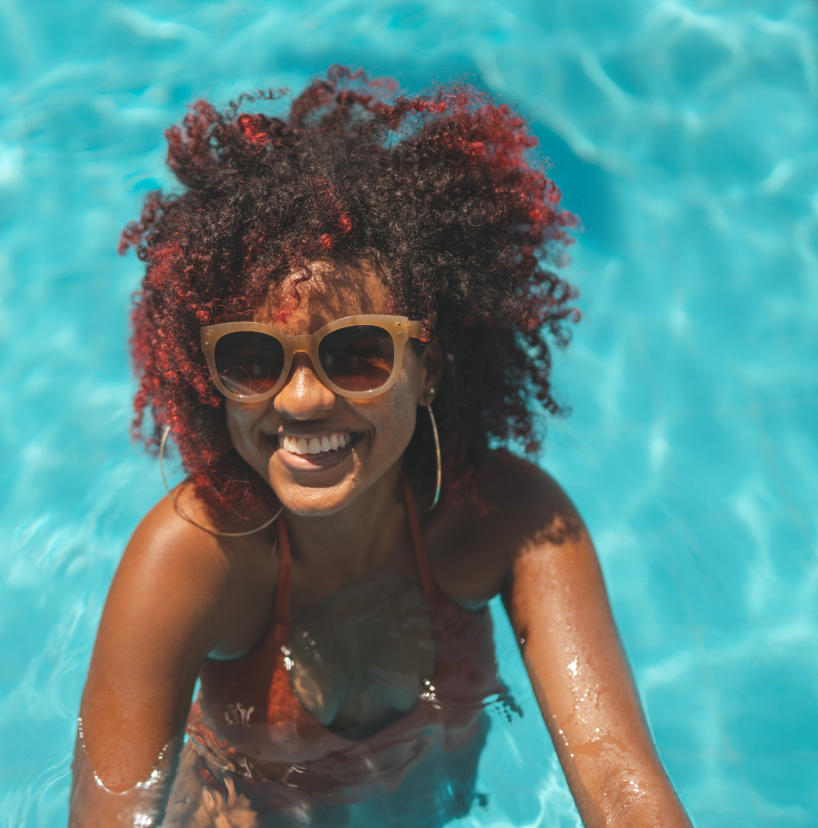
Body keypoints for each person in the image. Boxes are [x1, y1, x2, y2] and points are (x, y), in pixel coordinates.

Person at [70, 66, 691, 827]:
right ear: (212, 378)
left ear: (427, 370)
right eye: (253, 360)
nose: (300, 400)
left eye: (357, 353)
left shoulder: (505, 522)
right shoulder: (193, 560)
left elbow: (616, 776)